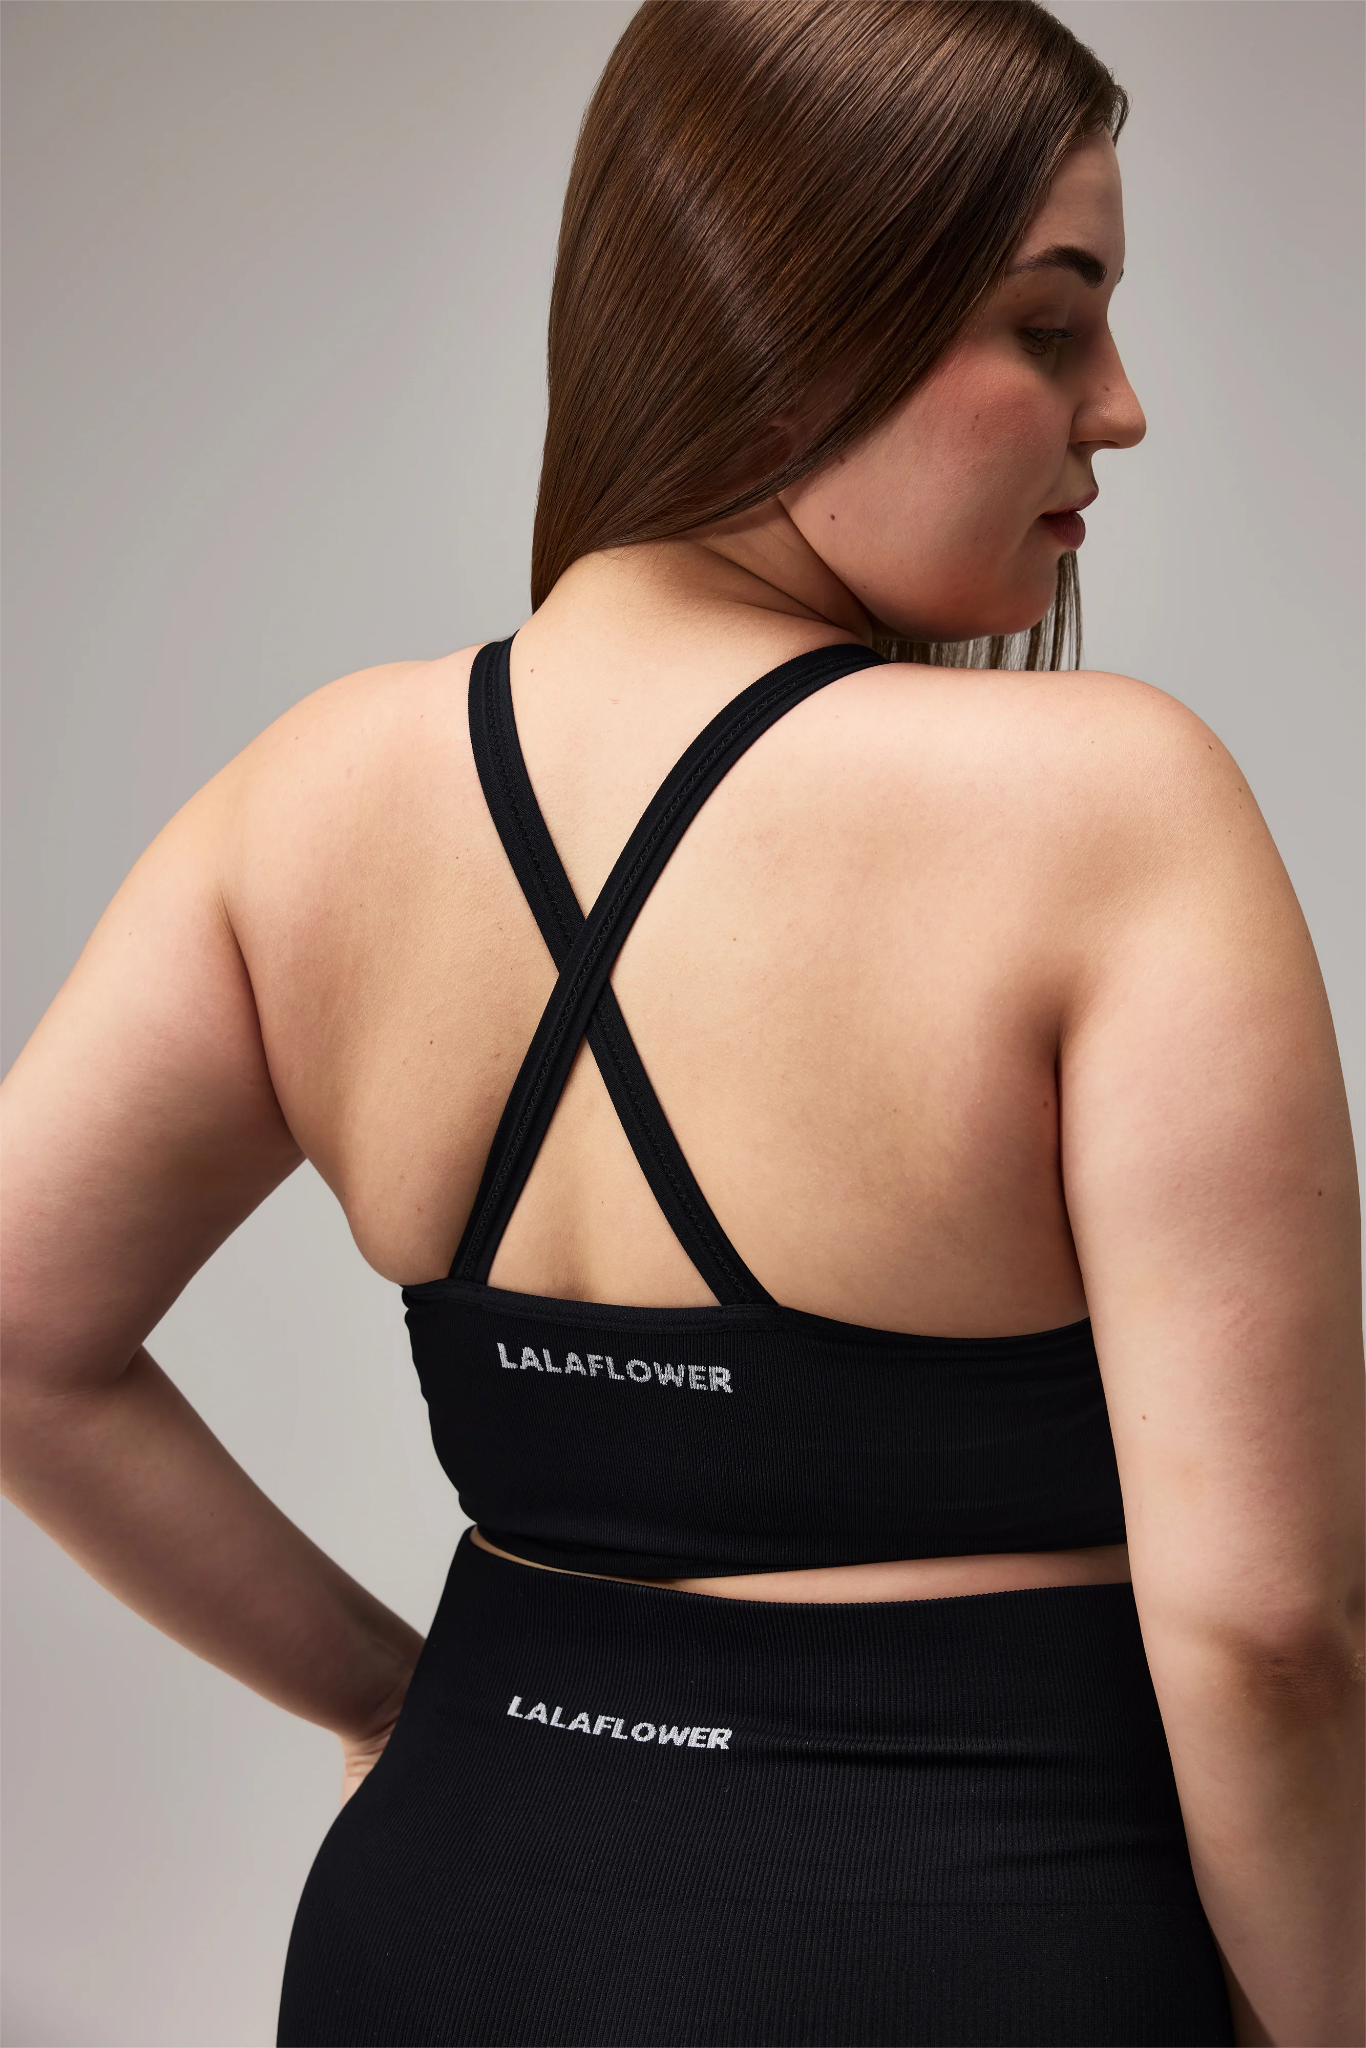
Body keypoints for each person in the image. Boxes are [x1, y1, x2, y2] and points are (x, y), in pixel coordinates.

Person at [1, 1, 1361, 2042]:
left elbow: (18, 1328)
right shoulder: (1104, 806)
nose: (1121, 408)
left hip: (439, 1922)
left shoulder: (306, 799)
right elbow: (1263, 1631)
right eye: (1046, 323)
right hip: (963, 1951)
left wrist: (390, 1698)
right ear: (794, 318)